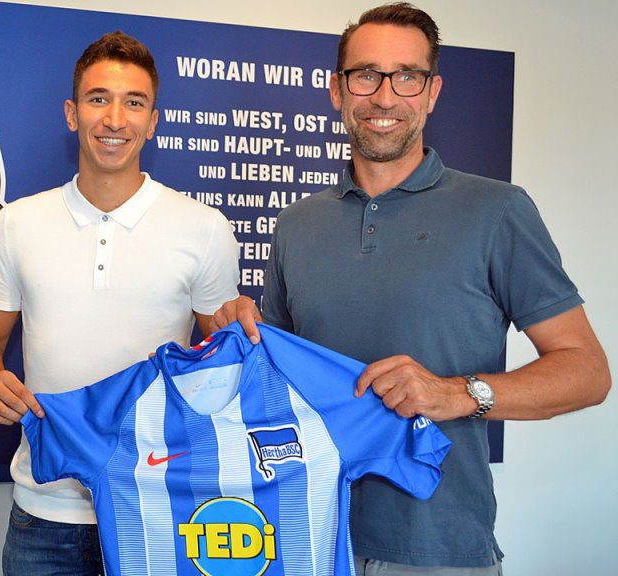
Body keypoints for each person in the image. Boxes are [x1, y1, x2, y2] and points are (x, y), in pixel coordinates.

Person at [211, 3, 611, 575]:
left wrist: (459, 393)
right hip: (304, 539)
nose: (384, 96)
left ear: (432, 93)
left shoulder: (497, 210)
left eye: (406, 76)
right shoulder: (298, 224)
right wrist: (235, 336)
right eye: (366, 75)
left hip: (438, 550)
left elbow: (588, 372)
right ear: (337, 90)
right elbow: (273, 383)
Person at [0, 31, 240, 575]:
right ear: (72, 113)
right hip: (44, 512)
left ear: (152, 121)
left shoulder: (204, 228)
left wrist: (239, 333)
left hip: (160, 507)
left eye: (134, 103)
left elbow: (225, 360)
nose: (115, 119)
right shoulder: (17, 224)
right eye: (98, 99)